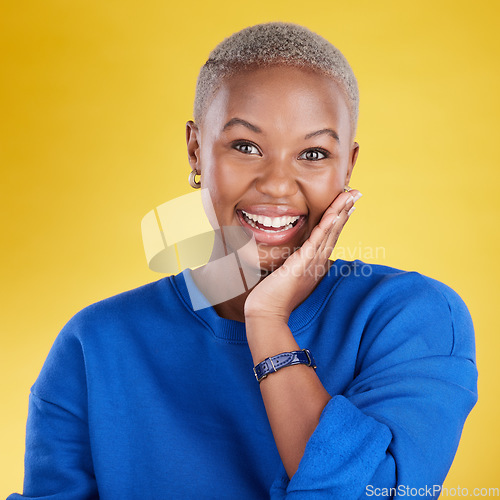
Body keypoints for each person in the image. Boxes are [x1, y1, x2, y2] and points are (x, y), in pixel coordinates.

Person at [9, 22, 477, 499]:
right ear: (195, 150)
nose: (277, 184)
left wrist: (268, 322)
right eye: (246, 146)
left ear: (348, 167)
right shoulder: (95, 345)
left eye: (313, 153)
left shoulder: (411, 318)